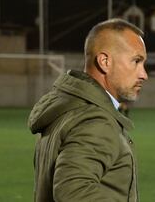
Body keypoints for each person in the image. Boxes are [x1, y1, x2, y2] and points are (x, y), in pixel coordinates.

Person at [28, 18, 148, 202]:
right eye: (136, 61)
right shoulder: (95, 121)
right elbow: (73, 191)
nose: (144, 74)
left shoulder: (69, 108)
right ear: (105, 61)